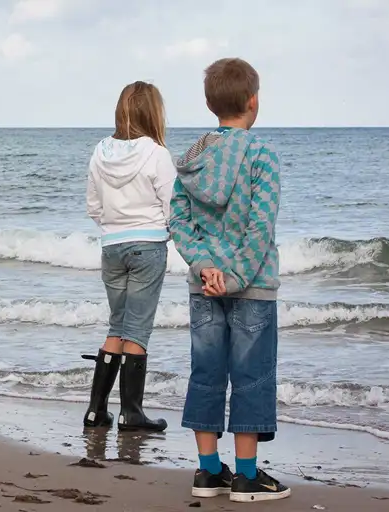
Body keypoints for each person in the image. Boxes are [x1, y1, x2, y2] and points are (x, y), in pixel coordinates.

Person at [170, 58, 289, 502]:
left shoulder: (193, 159)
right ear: (253, 101)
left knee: (206, 373)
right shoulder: (263, 155)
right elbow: (260, 226)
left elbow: (178, 220)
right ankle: (246, 476)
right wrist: (235, 276)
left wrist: (204, 266)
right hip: (251, 286)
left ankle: (207, 472)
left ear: (209, 104)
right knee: (251, 376)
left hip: (204, 285)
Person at [83, 81, 174, 432]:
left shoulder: (100, 151)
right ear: (154, 113)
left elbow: (93, 206)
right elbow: (172, 203)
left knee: (117, 325)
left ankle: (96, 411)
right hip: (147, 245)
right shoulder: (156, 153)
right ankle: (131, 413)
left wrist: (114, 227)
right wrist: (167, 230)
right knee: (136, 329)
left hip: (112, 246)